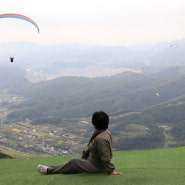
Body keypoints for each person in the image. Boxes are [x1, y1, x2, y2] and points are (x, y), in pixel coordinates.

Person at [37, 111, 122, 175]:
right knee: (72, 163)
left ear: (94, 123)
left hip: (97, 167)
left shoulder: (101, 138)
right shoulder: (103, 133)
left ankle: (48, 170)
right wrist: (85, 156)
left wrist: (111, 171)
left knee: (73, 162)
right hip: (93, 162)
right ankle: (51, 168)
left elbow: (105, 156)